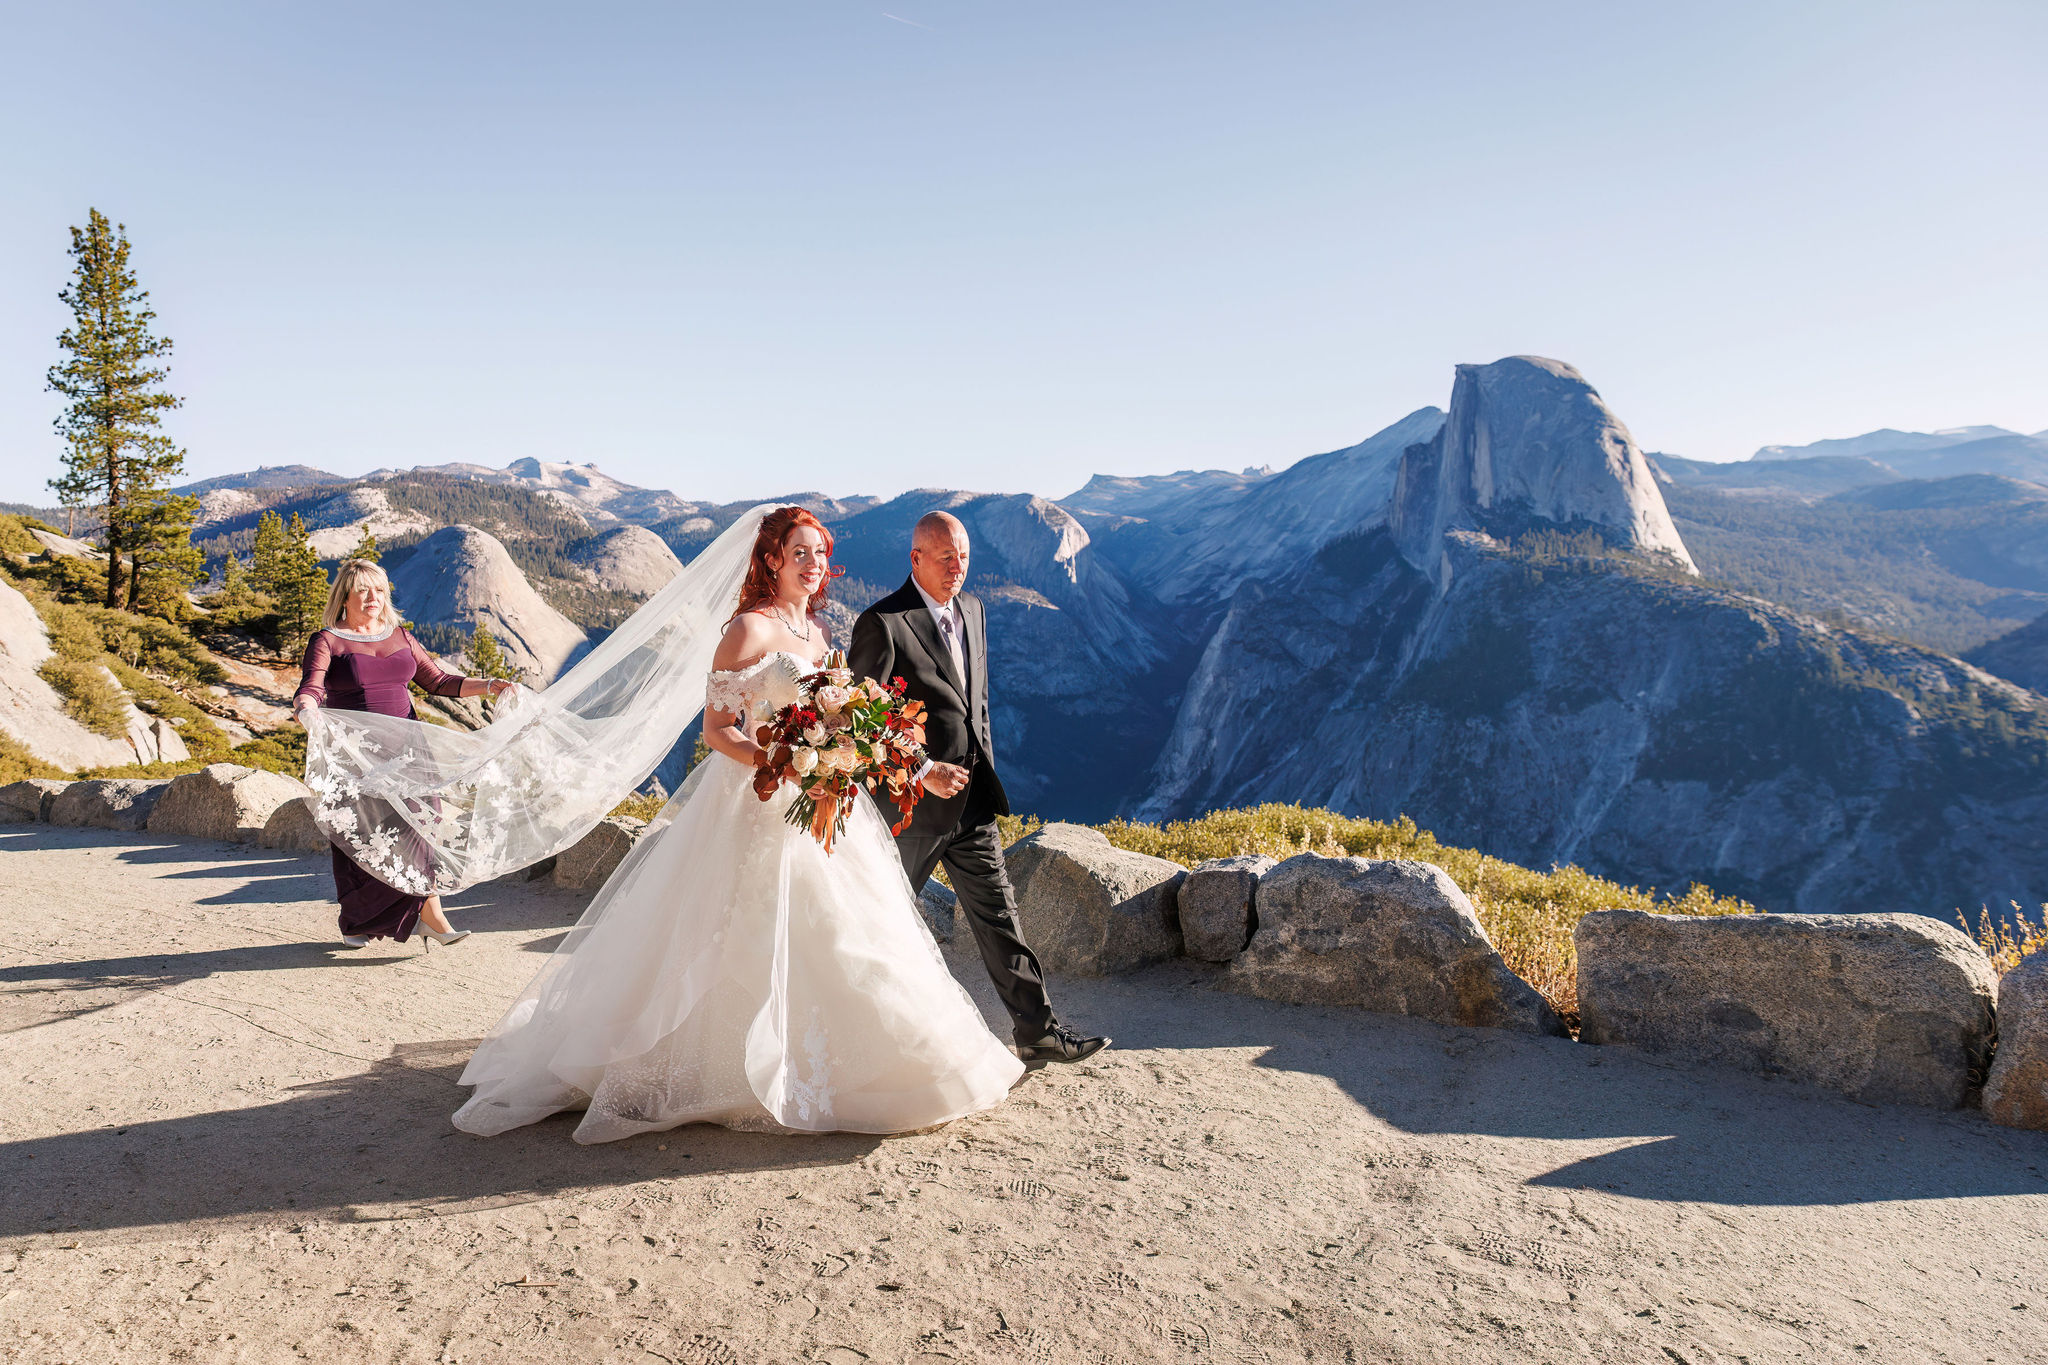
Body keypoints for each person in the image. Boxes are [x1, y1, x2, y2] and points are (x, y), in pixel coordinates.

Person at [451, 508, 1024, 1141]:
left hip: (820, 801)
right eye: (799, 553)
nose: (812, 566)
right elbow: (717, 731)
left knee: (845, 933)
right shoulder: (745, 631)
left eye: (820, 555)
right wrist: (779, 761)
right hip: (756, 801)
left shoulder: (818, 632)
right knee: (732, 931)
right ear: (772, 558)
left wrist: (869, 764)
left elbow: (848, 726)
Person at [849, 511, 1109, 1064]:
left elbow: (976, 706)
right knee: (876, 921)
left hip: (971, 803)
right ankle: (848, 1038)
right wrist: (923, 771)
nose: (957, 567)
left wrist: (981, 769)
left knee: (1000, 920)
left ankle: (1038, 1032)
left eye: (964, 555)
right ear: (915, 558)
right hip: (910, 809)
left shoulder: (974, 610)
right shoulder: (883, 623)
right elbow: (862, 725)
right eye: (945, 557)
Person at [293, 558, 515, 948]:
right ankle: (360, 920)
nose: (372, 597)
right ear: (344, 595)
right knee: (366, 835)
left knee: (420, 831)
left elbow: (440, 681)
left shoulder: (401, 636)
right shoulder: (327, 640)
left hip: (411, 754)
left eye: (379, 589)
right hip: (358, 757)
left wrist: (491, 685)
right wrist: (306, 709)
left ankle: (431, 913)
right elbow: (312, 686)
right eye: (363, 589)